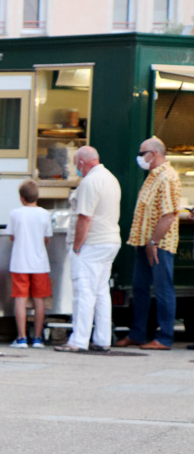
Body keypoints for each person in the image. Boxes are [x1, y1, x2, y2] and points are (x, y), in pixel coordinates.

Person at [115, 137, 181, 350]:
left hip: (158, 244)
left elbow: (169, 215)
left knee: (163, 289)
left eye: (142, 153)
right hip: (144, 243)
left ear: (154, 154)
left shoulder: (168, 177)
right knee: (140, 288)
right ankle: (138, 333)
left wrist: (154, 241)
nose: (140, 157)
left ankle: (164, 337)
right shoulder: (153, 176)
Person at [55, 147, 122, 353]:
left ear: (82, 163)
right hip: (110, 240)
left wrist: (77, 247)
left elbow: (85, 217)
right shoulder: (110, 178)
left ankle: (79, 340)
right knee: (101, 292)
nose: (76, 168)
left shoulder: (90, 182)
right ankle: (102, 339)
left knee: (83, 292)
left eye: (76, 164)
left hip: (91, 243)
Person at [6, 180, 52, 349]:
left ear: (22, 198)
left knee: (20, 300)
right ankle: (38, 337)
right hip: (40, 263)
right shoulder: (44, 214)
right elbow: (47, 238)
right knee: (40, 300)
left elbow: (11, 236)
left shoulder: (15, 214)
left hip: (19, 262)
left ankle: (21, 337)